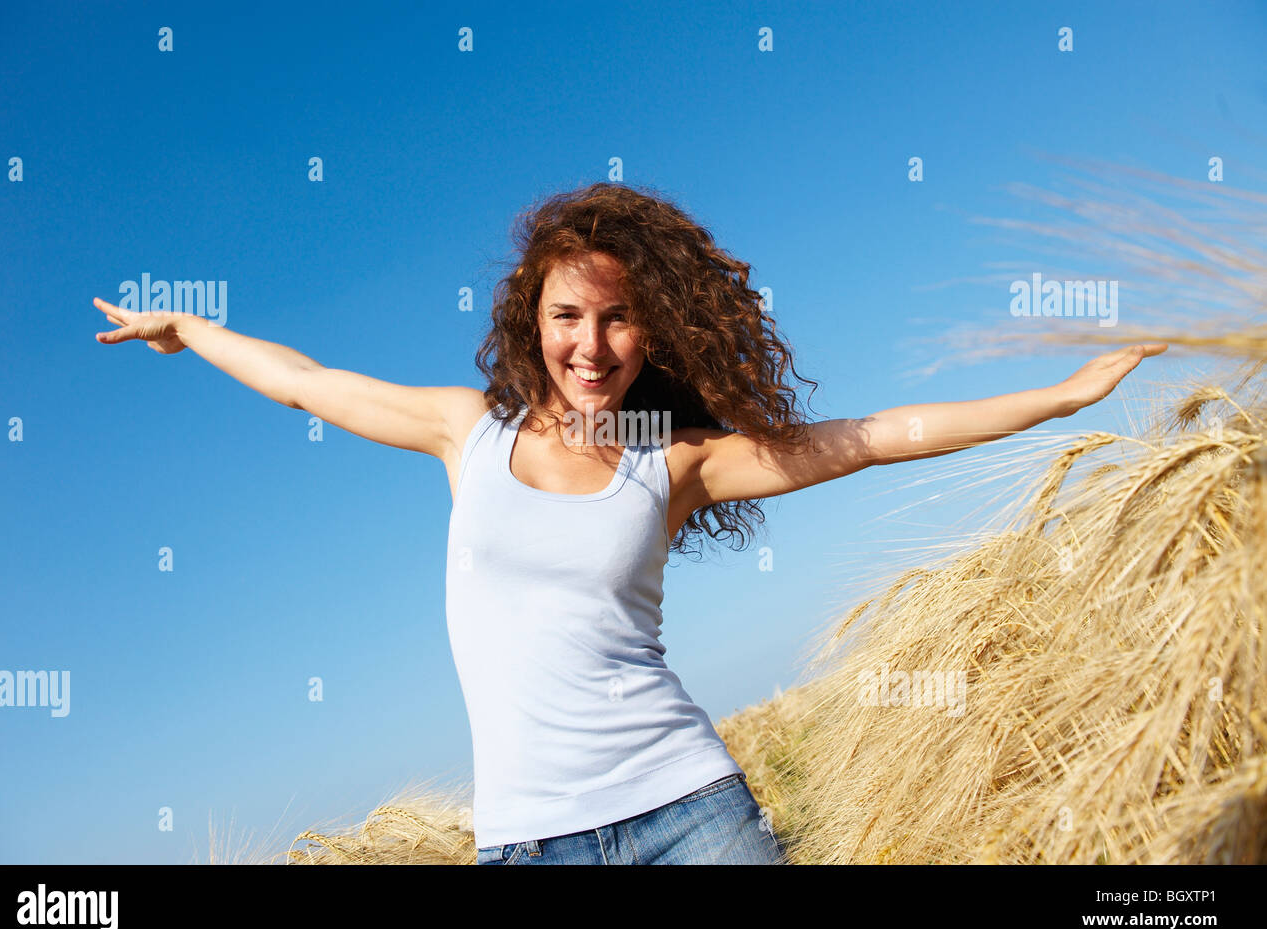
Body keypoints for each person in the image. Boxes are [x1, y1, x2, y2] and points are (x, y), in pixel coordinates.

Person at [91, 182, 1166, 865]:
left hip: (689, 813)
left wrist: (1064, 398)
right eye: (568, 316)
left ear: (652, 330)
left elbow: (880, 434)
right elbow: (305, 383)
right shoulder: (463, 433)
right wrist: (190, 326)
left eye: (618, 318)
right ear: (533, 321)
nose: (592, 344)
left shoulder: (677, 460)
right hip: (525, 841)